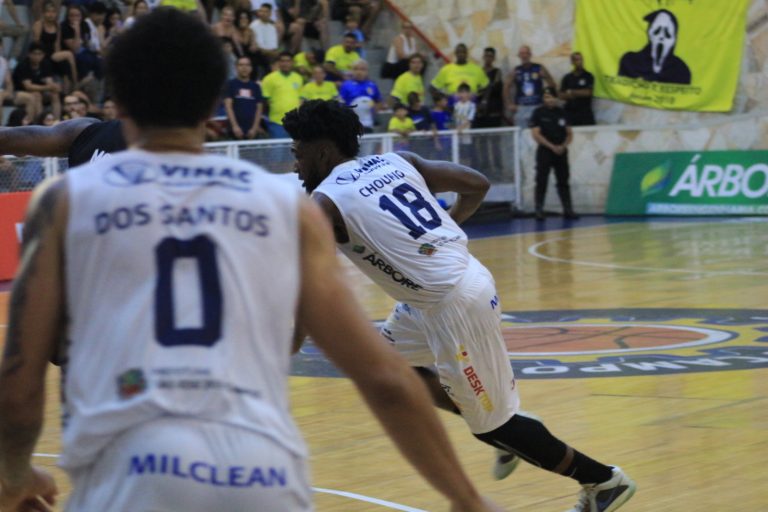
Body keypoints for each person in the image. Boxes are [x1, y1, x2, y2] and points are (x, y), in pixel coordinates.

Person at [0, 9, 504, 512]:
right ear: (212, 107)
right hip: (256, 476)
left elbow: (20, 385)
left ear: (119, 97)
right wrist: (466, 498)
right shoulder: (286, 207)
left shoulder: (62, 204)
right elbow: (384, 378)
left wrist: (14, 471)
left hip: (127, 477)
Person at [283, 99, 636, 512]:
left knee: (494, 427)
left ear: (323, 151)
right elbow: (476, 184)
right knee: (387, 367)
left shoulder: (325, 203)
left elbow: (310, 283)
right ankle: (509, 423)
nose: (296, 165)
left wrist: (293, 340)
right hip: (444, 288)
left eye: (298, 153)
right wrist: (445, 229)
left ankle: (603, 481)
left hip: (454, 305)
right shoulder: (398, 161)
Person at [530, 88, 578, 220]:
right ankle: (539, 209)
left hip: (561, 151)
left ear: (556, 98)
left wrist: (563, 146)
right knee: (541, 180)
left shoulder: (562, 113)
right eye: (546, 97)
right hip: (545, 151)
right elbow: (536, 134)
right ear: (543, 99)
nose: (549, 100)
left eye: (551, 97)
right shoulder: (538, 113)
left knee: (563, 180)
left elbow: (569, 133)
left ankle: (568, 209)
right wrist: (551, 146)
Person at [618, 9, 691, 84]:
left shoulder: (681, 70)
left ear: (674, 40)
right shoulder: (630, 61)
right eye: (657, 31)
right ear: (649, 32)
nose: (661, 37)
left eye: (667, 34)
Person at [503, 45, 556, 129]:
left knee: (539, 132)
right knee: (521, 133)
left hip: (537, 106)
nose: (524, 56)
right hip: (521, 107)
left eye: (526, 53)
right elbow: (506, 87)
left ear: (530, 55)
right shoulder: (516, 70)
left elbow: (552, 84)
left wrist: (548, 100)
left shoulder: (538, 68)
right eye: (522, 53)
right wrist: (509, 104)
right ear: (519, 56)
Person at [260, 51, 303, 138]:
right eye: (282, 61)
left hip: (295, 123)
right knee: (278, 147)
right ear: (278, 63)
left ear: (292, 63)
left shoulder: (298, 78)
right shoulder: (269, 79)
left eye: (288, 61)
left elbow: (300, 99)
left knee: (295, 147)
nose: (285, 64)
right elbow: (264, 101)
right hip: (276, 123)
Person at [224, 56, 265, 139]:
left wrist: (254, 128)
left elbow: (259, 109)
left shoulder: (256, 87)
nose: (244, 68)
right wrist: (235, 126)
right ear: (236, 67)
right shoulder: (230, 84)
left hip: (252, 131)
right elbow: (228, 106)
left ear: (251, 68)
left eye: (247, 65)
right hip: (234, 131)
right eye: (241, 65)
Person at [338, 58, 382, 134]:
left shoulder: (372, 85)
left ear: (367, 71)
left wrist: (373, 112)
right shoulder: (346, 85)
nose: (359, 72)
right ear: (352, 71)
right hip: (351, 125)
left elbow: (379, 102)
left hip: (368, 124)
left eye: (362, 69)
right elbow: (340, 104)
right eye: (356, 69)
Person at [559, 52, 595, 126]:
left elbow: (588, 93)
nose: (579, 62)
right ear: (572, 62)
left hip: (585, 113)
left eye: (581, 59)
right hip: (570, 113)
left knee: (589, 132)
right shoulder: (567, 77)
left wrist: (571, 92)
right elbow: (561, 95)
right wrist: (579, 93)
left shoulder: (588, 76)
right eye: (576, 60)